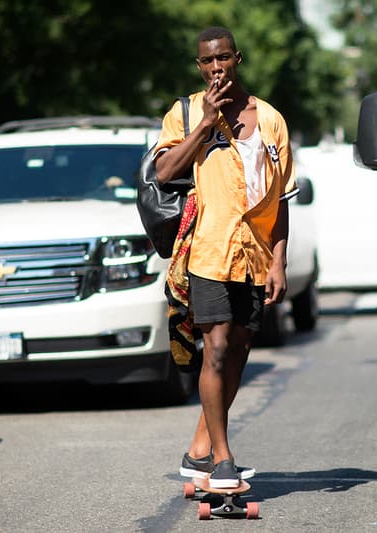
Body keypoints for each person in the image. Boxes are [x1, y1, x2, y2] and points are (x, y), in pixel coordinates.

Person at [154, 26, 296, 489]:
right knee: (214, 347)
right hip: (209, 250)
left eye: (223, 58)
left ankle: (199, 451)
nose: (216, 68)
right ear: (199, 66)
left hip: (254, 254)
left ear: (238, 58)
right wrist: (205, 124)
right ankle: (222, 458)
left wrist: (279, 260)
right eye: (207, 61)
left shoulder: (270, 119)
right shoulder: (185, 112)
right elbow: (164, 172)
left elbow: (281, 198)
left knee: (238, 350)